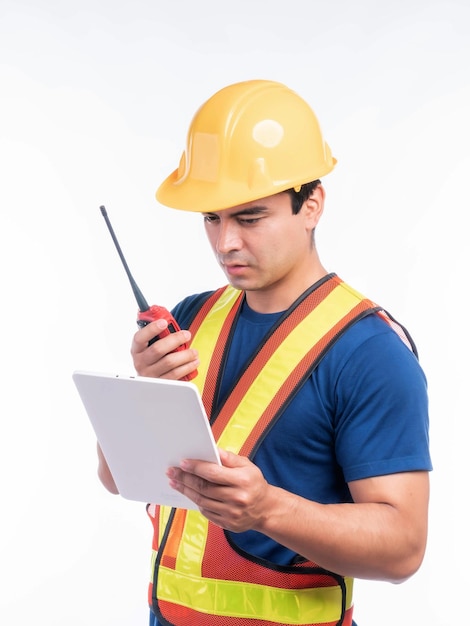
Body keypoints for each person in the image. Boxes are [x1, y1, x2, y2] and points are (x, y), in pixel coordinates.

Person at [97, 79, 432, 626]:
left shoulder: (369, 352)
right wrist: (143, 392)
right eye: (212, 217)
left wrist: (268, 509)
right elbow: (116, 478)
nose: (226, 242)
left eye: (249, 217)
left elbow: (403, 550)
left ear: (312, 204)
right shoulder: (191, 319)